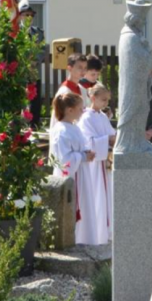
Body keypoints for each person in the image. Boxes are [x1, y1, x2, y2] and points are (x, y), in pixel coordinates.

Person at [50, 93, 99, 245]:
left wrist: (86, 153)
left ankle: (86, 239)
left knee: (86, 205)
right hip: (72, 177)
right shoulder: (61, 130)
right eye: (80, 108)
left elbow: (78, 148)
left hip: (81, 174)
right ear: (69, 110)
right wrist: (83, 157)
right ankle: (76, 240)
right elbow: (64, 160)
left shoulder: (73, 127)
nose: (83, 111)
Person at [78, 85, 116, 243]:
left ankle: (105, 232)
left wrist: (114, 138)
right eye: (103, 99)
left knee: (106, 197)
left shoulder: (102, 116)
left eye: (107, 100)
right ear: (93, 98)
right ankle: (96, 234)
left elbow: (111, 133)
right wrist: (108, 140)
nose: (106, 103)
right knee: (96, 198)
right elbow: (89, 142)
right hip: (93, 166)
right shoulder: (86, 117)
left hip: (104, 163)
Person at [19, 0, 47, 128]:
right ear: (20, 16)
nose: (29, 17)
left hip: (34, 71)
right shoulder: (15, 32)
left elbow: (43, 48)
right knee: (19, 99)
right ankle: (17, 124)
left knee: (34, 99)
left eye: (31, 15)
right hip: (19, 71)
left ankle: (34, 124)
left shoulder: (38, 32)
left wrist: (35, 61)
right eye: (26, 14)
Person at [51, 54, 90, 129]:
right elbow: (57, 118)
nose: (83, 71)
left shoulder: (83, 89)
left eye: (85, 68)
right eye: (80, 67)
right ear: (69, 68)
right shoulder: (64, 91)